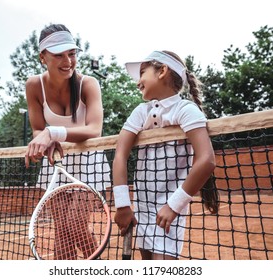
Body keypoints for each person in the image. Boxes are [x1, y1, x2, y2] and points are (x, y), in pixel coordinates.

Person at [112, 50, 219, 260]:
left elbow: (206, 159)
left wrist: (174, 205)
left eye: (143, 72)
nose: (137, 82)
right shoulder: (140, 112)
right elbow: (120, 155)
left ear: (162, 71)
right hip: (142, 208)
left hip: (169, 210)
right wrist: (123, 205)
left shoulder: (186, 109)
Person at [24, 23, 109, 259]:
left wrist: (53, 133)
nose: (68, 61)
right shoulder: (33, 86)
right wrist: (45, 139)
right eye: (59, 55)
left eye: (72, 53)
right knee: (62, 234)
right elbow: (37, 130)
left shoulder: (88, 83)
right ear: (43, 57)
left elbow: (94, 129)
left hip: (89, 162)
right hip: (57, 164)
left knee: (75, 226)